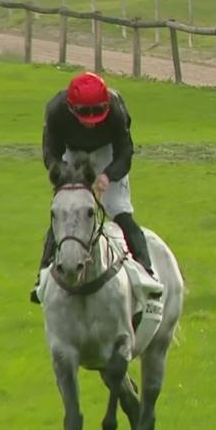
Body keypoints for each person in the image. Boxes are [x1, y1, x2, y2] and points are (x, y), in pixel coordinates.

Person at [30, 72, 154, 304]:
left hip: (107, 153)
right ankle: (43, 276)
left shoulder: (116, 109)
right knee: (66, 213)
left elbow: (125, 152)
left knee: (120, 210)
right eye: (84, 115)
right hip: (72, 154)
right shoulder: (56, 110)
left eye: (97, 114)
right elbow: (51, 153)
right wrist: (64, 176)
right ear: (70, 107)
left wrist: (108, 175)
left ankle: (146, 273)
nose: (90, 121)